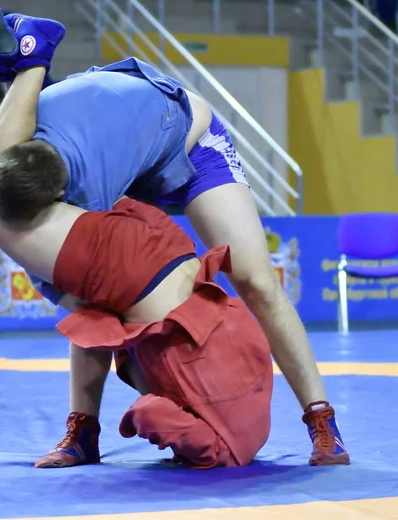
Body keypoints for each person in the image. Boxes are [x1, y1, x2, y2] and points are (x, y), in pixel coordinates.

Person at [0, 0, 349, 468]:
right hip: (121, 134)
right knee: (88, 282)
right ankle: (22, 60)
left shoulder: (79, 180)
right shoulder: (14, 159)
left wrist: (55, 288)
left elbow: (71, 279)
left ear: (55, 198)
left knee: (255, 280)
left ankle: (321, 419)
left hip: (185, 135)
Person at [36, 197, 274, 469]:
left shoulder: (252, 436)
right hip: (162, 313)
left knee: (96, 309)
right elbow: (148, 412)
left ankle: (83, 431)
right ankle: (83, 430)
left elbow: (256, 352)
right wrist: (132, 423)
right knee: (92, 315)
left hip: (197, 289)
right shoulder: (218, 452)